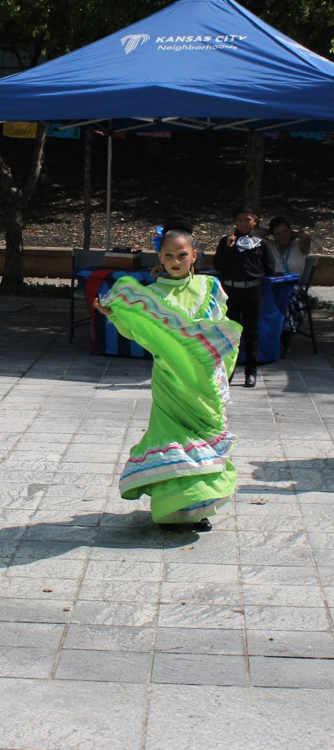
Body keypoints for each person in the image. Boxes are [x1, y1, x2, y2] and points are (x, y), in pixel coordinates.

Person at [96, 218, 242, 531]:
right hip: (170, 382)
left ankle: (197, 508)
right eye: (169, 256)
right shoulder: (151, 296)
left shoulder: (210, 287)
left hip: (204, 382)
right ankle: (171, 509)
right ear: (159, 258)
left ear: (195, 255)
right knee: (174, 439)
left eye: (182, 255)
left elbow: (221, 332)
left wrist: (219, 368)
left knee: (203, 438)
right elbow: (137, 329)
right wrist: (115, 313)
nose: (176, 262)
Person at [214, 204, 273, 387]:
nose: (243, 223)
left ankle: (251, 371)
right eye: (239, 220)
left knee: (251, 331)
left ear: (255, 221)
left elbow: (269, 269)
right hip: (231, 291)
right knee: (230, 330)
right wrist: (229, 249)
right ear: (234, 222)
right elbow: (218, 266)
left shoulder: (261, 244)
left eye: (247, 219)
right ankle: (229, 371)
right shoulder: (226, 242)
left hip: (252, 291)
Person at [265, 216, 313, 353]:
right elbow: (255, 233)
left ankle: (285, 331)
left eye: (285, 232)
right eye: (278, 234)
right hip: (274, 285)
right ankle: (274, 332)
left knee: (288, 296)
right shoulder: (271, 245)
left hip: (293, 286)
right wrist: (270, 233)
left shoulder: (299, 245)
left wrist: (293, 233)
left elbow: (306, 235)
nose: (282, 236)